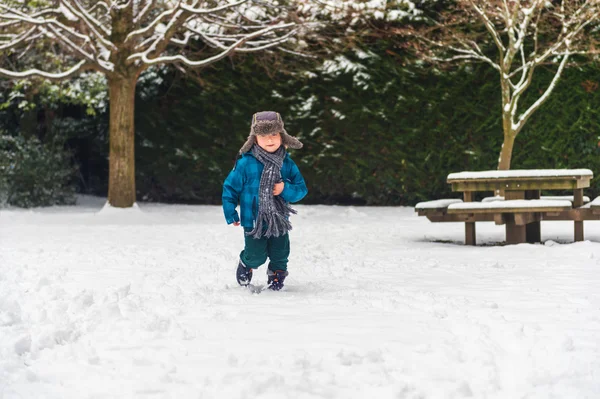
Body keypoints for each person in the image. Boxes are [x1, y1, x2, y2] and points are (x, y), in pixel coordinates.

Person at [222, 111, 308, 290]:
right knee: (256, 254)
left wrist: (285, 189)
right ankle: (247, 263)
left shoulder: (287, 163)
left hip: (279, 218)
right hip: (253, 218)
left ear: (282, 136)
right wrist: (230, 212)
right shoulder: (246, 163)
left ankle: (277, 275)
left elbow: (301, 189)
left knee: (280, 253)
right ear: (254, 139)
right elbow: (230, 188)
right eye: (263, 135)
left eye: (274, 134)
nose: (269, 140)